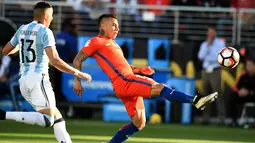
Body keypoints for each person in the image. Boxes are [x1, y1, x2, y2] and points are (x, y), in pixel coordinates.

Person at [73, 14, 218, 143]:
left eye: (118, 26)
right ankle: (195, 100)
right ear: (102, 25)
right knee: (160, 88)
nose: (117, 29)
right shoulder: (96, 41)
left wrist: (140, 69)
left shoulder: (114, 45)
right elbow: (77, 60)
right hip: (125, 81)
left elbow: (123, 65)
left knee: (139, 123)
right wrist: (77, 80)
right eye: (114, 25)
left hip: (123, 84)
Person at [0, 2, 91, 143]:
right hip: (38, 79)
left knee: (57, 117)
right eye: (52, 16)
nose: (52, 19)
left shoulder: (22, 29)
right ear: (46, 16)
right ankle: (4, 114)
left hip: (23, 81)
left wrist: (23, 45)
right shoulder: (45, 31)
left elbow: (5, 51)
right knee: (48, 119)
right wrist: (77, 73)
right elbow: (55, 60)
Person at [198, 25, 226, 124]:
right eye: (209, 32)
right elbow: (200, 57)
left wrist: (210, 52)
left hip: (215, 69)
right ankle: (205, 118)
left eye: (212, 32)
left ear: (215, 33)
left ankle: (221, 118)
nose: (210, 34)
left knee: (217, 93)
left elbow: (219, 57)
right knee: (205, 94)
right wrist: (208, 46)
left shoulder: (220, 43)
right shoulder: (204, 44)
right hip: (205, 70)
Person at [229, 57, 255, 127]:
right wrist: (239, 92)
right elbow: (236, 88)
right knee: (233, 96)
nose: (248, 67)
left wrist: (249, 92)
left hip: (253, 95)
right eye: (247, 65)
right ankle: (234, 121)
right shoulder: (243, 76)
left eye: (250, 65)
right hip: (244, 96)